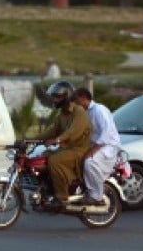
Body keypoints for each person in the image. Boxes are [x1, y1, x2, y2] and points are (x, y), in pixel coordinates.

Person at [34, 80, 92, 209]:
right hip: (66, 149)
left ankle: (62, 197)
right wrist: (29, 140)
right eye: (53, 96)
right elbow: (51, 131)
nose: (54, 99)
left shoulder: (79, 112)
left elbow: (73, 132)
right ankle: (47, 190)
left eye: (58, 96)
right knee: (41, 158)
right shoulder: (62, 114)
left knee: (55, 161)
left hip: (79, 151)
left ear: (67, 96)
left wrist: (57, 140)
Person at [74, 87, 121, 205]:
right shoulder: (85, 112)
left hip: (108, 146)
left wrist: (93, 150)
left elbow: (107, 132)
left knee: (90, 162)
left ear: (83, 98)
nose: (75, 103)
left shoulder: (99, 110)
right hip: (96, 145)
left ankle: (97, 195)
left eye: (76, 100)